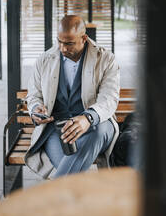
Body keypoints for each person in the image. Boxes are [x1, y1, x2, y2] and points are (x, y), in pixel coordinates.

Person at [25, 15, 120, 179]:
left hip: (97, 126)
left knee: (98, 132)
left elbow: (109, 99)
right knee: (70, 176)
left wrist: (87, 118)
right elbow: (34, 95)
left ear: (84, 38)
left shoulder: (106, 59)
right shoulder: (44, 60)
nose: (62, 48)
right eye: (59, 41)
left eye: (68, 43)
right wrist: (35, 108)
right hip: (57, 129)